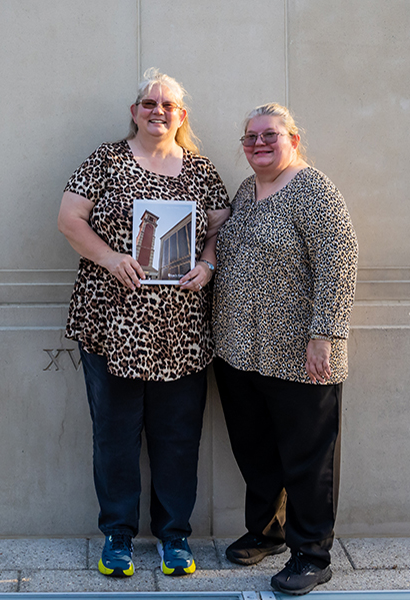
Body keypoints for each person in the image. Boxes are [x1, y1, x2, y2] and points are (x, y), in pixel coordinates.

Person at [57, 68, 230, 577]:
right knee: (115, 434)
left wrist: (209, 264)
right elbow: (70, 219)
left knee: (178, 437)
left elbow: (222, 227)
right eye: (149, 103)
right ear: (134, 112)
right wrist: (111, 259)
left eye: (168, 105)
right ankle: (117, 535)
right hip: (112, 324)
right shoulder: (106, 160)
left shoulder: (200, 170)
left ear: (181, 116)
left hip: (182, 328)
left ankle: (174, 538)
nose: (159, 112)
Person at [212, 103, 358, 595]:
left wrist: (325, 334)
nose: (258, 144)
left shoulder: (313, 190)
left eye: (269, 135)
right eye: (250, 137)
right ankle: (268, 532)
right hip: (240, 351)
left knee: (307, 457)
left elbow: (339, 262)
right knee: (255, 450)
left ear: (293, 138)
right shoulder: (247, 190)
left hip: (300, 353)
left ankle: (312, 553)